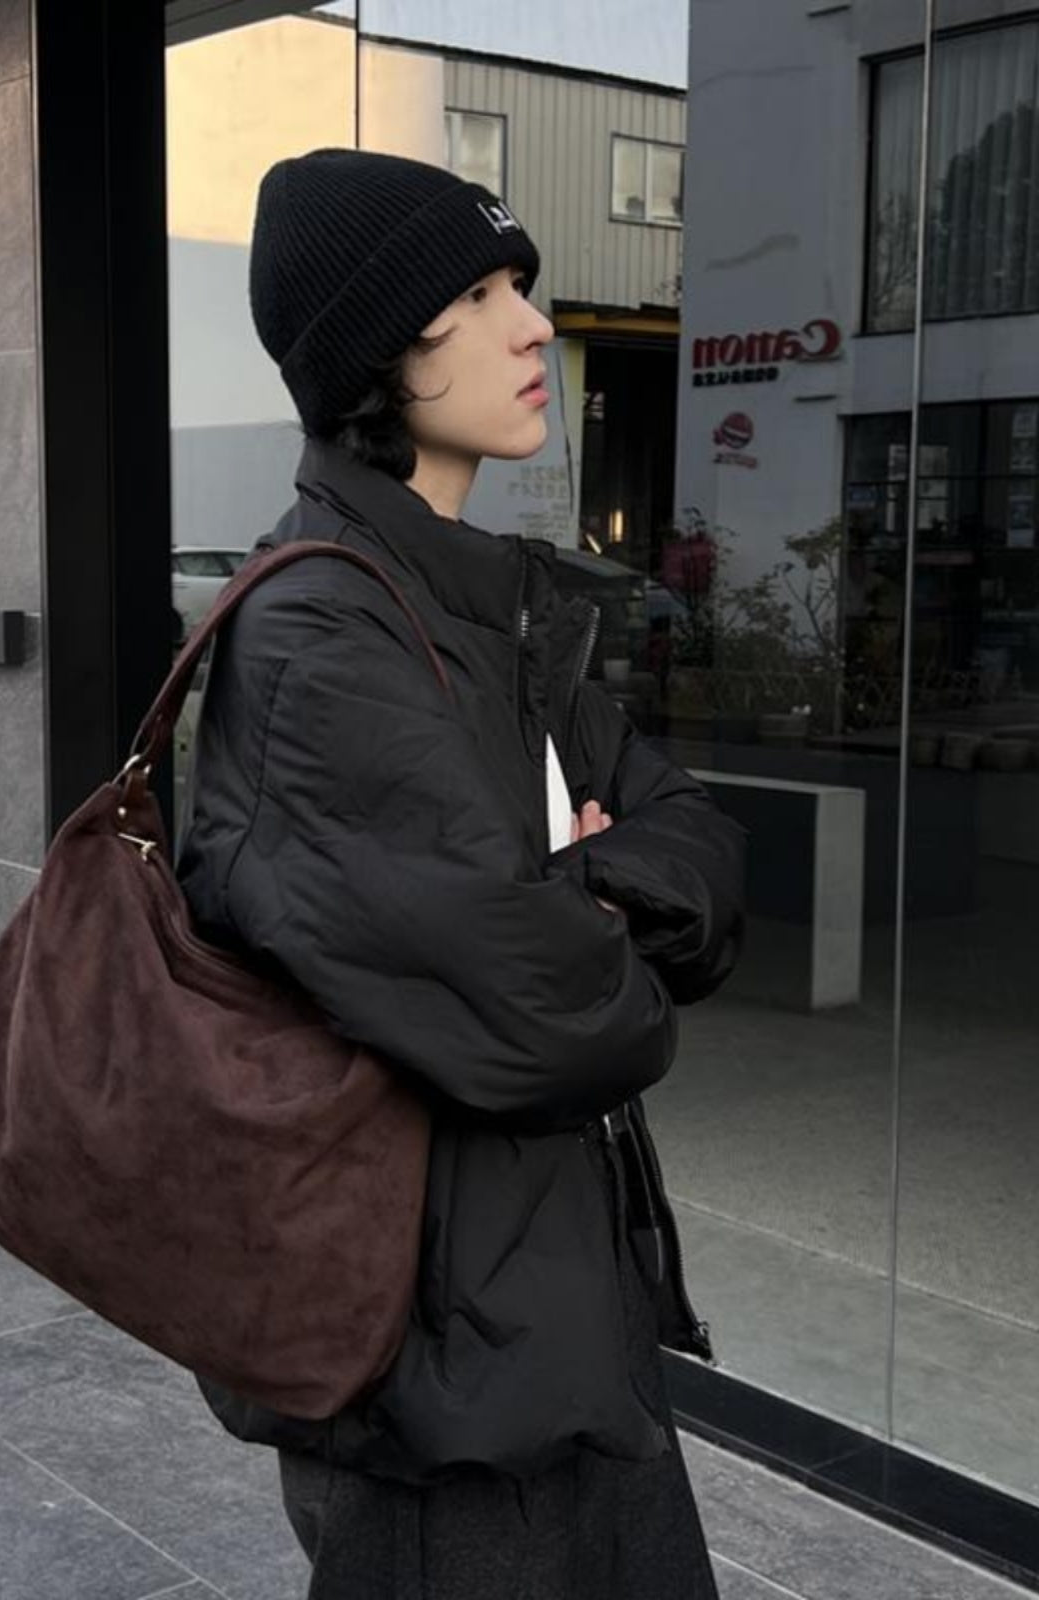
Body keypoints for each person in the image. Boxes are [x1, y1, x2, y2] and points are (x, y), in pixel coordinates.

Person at [177, 147, 746, 1600]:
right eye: (479, 295)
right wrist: (590, 900)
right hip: (433, 1359)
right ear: (376, 353)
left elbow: (703, 846)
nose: (533, 325)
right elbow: (556, 1013)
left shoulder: (490, 608)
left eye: (521, 288)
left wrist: (576, 888)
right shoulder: (322, 634)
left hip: (555, 1298)